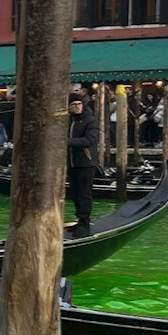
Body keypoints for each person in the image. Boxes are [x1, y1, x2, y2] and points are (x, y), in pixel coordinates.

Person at [66, 91, 98, 237]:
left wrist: (65, 141)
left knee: (85, 194)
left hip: (86, 162)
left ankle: (85, 224)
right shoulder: (67, 121)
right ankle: (79, 220)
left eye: (79, 104)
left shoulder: (90, 120)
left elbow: (89, 140)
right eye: (74, 105)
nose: (77, 107)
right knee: (75, 193)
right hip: (71, 163)